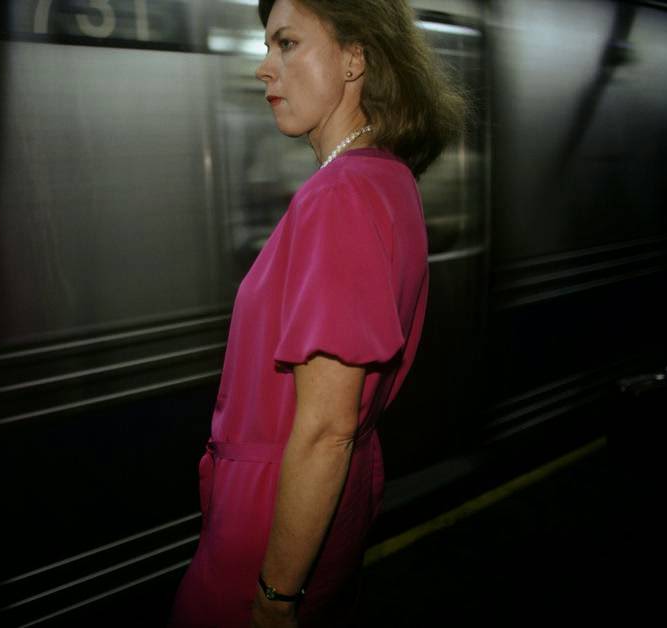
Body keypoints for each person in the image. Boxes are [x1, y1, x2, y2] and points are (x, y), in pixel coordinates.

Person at [169, 1, 465, 626]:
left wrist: (275, 599)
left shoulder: (340, 196)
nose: (262, 68)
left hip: (274, 521)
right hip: (330, 506)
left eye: (286, 44)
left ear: (354, 57)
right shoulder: (387, 178)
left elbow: (327, 427)